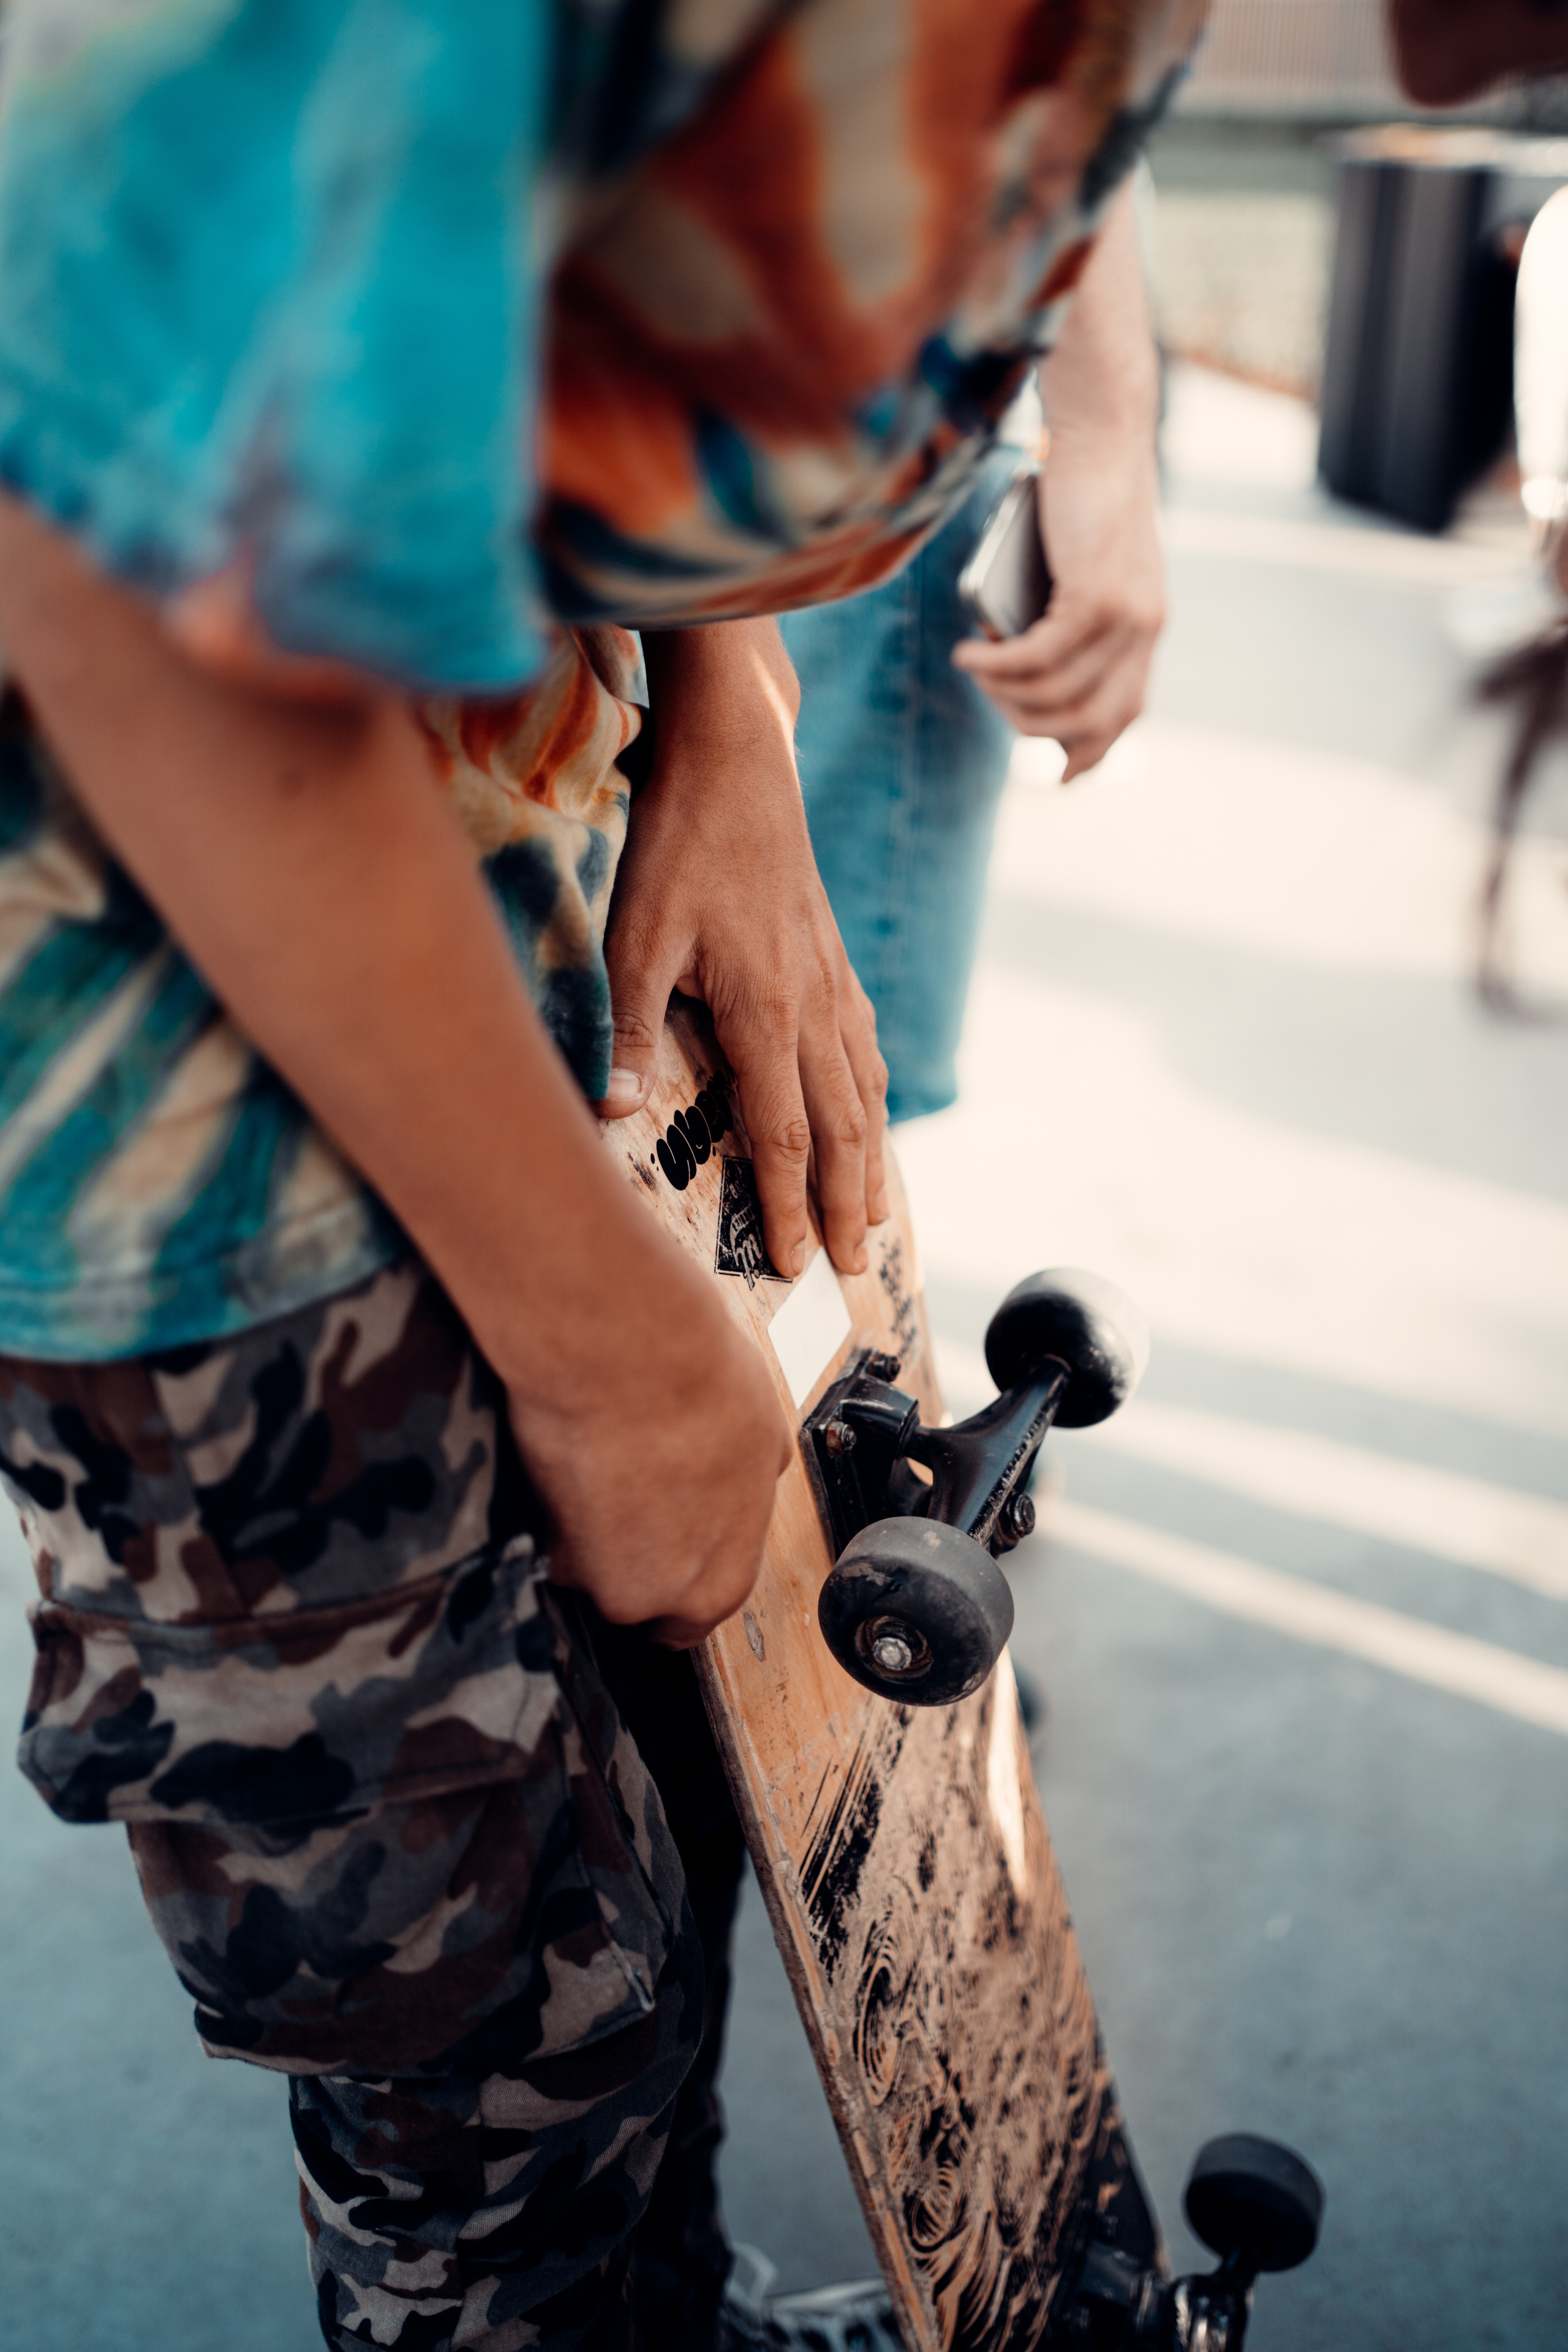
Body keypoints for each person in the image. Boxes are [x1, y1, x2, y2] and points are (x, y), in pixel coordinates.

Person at [1, 7, 1558, 2352]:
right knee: (489, 2082)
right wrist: (605, 1344)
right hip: (196, 1131)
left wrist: (734, 714)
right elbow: (120, 573)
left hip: (545, 852)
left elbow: (584, 289)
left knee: (667, 1851)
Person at [783, 179, 1166, 1120]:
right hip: (815, 366)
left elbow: (1077, 40)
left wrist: (1107, 426)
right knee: (783, 1093)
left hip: (884, 371)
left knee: (816, 1100)